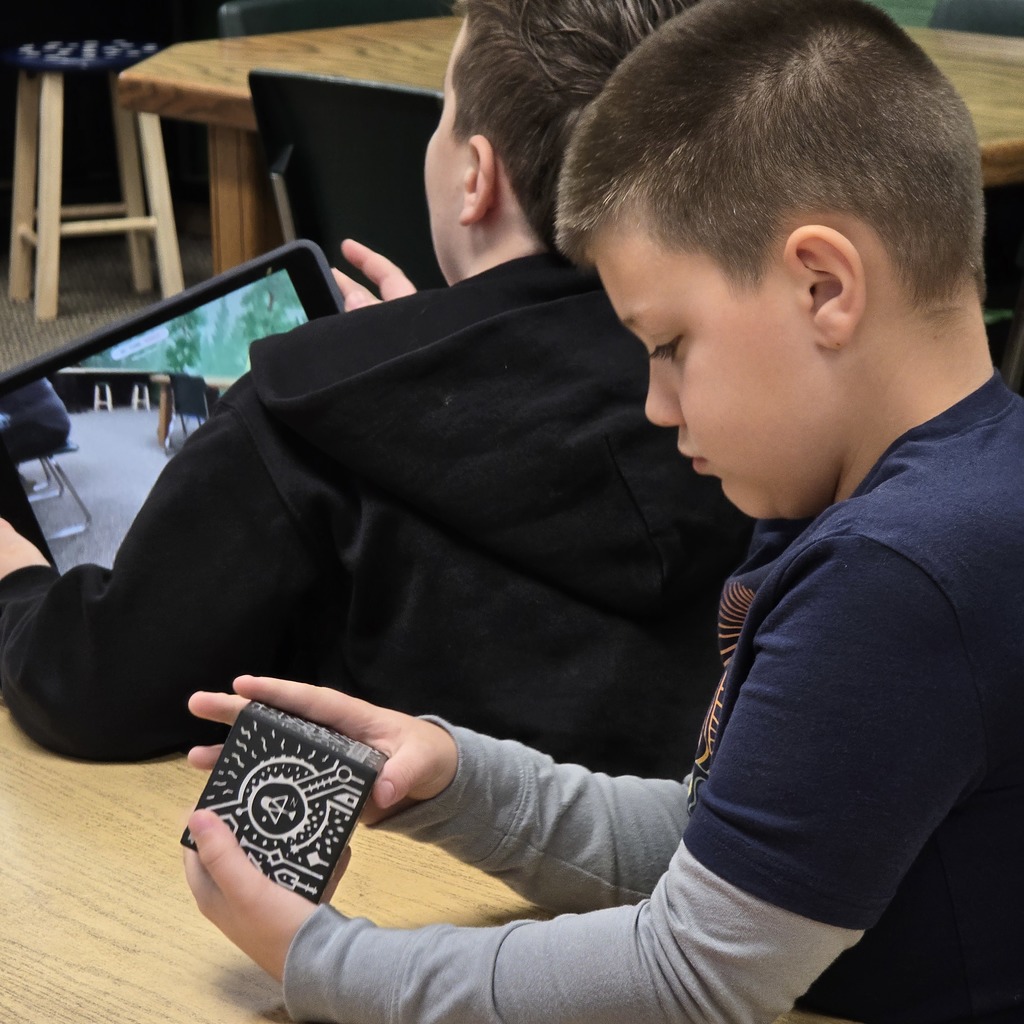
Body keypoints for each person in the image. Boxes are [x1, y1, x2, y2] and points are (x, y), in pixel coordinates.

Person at [181, 1, 1024, 1021]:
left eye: (667, 346)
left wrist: (321, 960)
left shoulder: (895, 572)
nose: (657, 406)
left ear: (822, 285)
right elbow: (721, 844)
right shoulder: (906, 495)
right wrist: (457, 778)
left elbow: (685, 977)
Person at [0, 0, 750, 776]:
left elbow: (97, 687)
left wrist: (14, 584)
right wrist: (433, 355)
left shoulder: (303, 411)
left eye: (444, 112)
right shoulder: (762, 396)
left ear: (475, 177)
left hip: (389, 879)